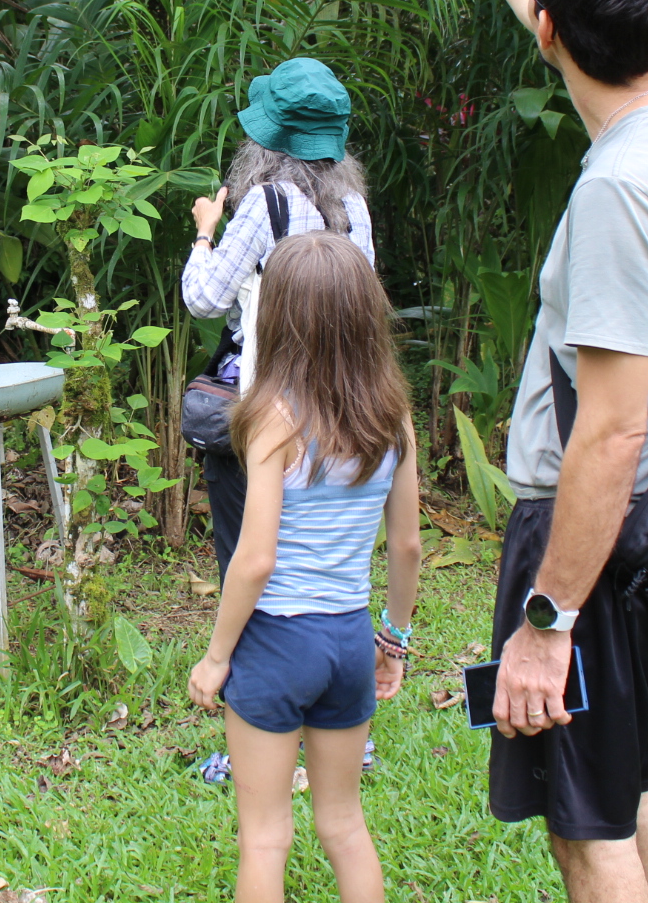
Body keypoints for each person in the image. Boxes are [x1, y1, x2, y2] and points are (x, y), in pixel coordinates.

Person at [420, 0, 648, 902]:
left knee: (585, 828)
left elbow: (605, 433)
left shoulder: (619, 196)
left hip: (589, 532)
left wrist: (544, 623)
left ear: (558, 28)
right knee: (637, 783)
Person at [187, 231, 423, 903]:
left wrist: (215, 656)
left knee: (265, 837)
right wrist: (392, 643)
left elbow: (256, 559)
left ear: (279, 318)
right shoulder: (393, 417)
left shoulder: (271, 419)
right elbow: (406, 547)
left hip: (275, 642)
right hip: (348, 639)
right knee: (345, 824)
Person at [183, 56, 376, 582]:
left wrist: (206, 231)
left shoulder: (267, 203)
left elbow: (203, 299)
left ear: (268, 140)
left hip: (266, 408)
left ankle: (240, 657)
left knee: (245, 556)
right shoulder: (355, 208)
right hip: (339, 411)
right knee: (311, 561)